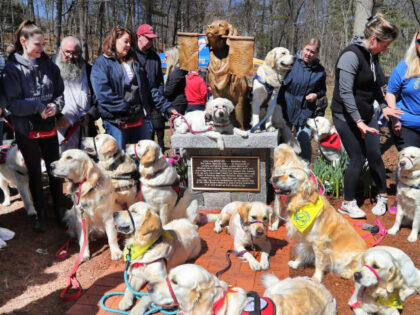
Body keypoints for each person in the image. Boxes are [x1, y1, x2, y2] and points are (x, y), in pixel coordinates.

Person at [331, 13, 403, 218]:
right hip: (345, 115)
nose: (386, 49)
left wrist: (383, 105)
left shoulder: (373, 56)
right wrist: (358, 122)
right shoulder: (350, 56)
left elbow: (373, 86)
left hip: (367, 113)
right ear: (374, 40)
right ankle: (347, 202)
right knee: (357, 157)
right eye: (385, 44)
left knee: (374, 154)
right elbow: (345, 93)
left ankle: (382, 197)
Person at [2, 20, 65, 232]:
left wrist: (55, 107)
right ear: (23, 42)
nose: (42, 48)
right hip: (25, 130)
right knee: (35, 175)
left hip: (48, 128)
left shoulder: (50, 66)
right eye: (37, 44)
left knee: (55, 170)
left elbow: (59, 94)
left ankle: (60, 211)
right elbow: (12, 103)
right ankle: (41, 216)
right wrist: (37, 106)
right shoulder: (12, 69)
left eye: (43, 43)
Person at [91, 26, 175, 150]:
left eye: (130, 42)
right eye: (126, 41)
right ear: (114, 40)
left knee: (145, 156)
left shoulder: (135, 63)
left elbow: (150, 89)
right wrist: (125, 107)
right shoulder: (102, 63)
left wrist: (167, 107)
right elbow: (103, 94)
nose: (129, 45)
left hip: (138, 118)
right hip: (116, 121)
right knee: (120, 159)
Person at [277, 38, 327, 162]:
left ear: (317, 53)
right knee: (284, 143)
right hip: (287, 106)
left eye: (312, 52)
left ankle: (306, 171)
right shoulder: (290, 62)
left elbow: (323, 90)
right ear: (302, 48)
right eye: (307, 50)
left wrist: (315, 94)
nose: (308, 54)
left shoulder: (320, 71)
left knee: (304, 141)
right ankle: (283, 172)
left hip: (306, 109)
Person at [54, 36, 97, 152]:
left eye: (75, 53)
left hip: (85, 130)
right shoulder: (50, 71)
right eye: (67, 52)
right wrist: (57, 116)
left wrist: (90, 115)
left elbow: (98, 99)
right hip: (59, 130)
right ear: (59, 50)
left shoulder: (90, 71)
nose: (71, 56)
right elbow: (45, 99)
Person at [386, 30, 420, 150]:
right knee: (410, 163)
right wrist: (394, 119)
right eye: (419, 42)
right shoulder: (404, 66)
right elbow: (390, 92)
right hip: (406, 124)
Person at [136, 24, 168, 150]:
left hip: (153, 104)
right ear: (139, 36)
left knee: (152, 137)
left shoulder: (155, 57)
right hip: (137, 106)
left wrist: (159, 97)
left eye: (152, 39)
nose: (151, 42)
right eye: (148, 38)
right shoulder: (131, 54)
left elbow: (159, 81)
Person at [164, 47, 188, 115]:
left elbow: (170, 88)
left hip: (177, 103)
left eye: (166, 57)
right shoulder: (175, 70)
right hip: (176, 101)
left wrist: (162, 97)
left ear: (172, 57)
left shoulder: (177, 71)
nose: (165, 59)